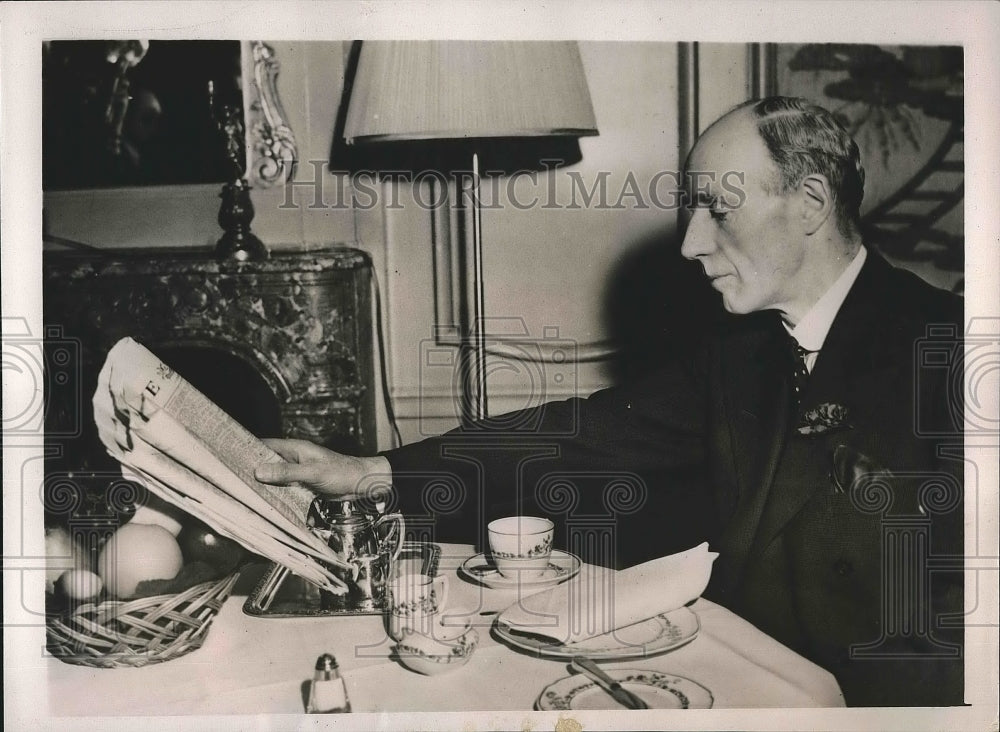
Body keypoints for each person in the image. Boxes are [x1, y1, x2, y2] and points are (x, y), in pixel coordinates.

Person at [256, 97, 964, 707]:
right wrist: (369, 472)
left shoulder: (951, 351)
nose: (690, 244)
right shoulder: (737, 353)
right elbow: (577, 434)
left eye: (718, 209)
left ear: (810, 203)